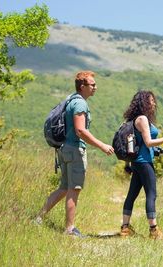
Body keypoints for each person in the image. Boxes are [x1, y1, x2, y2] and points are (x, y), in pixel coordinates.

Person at [36, 71, 114, 237]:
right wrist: (101, 145)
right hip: (74, 150)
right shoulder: (80, 104)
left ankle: (39, 218)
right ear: (82, 86)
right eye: (92, 85)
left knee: (64, 187)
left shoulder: (71, 100)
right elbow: (80, 130)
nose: (95, 87)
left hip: (64, 149)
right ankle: (70, 229)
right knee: (74, 188)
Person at [120, 90, 163, 240]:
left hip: (137, 162)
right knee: (151, 194)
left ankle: (125, 229)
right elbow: (148, 142)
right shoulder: (142, 119)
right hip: (144, 163)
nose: (154, 103)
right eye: (151, 100)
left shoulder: (135, 120)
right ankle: (154, 231)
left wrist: (155, 150)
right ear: (144, 102)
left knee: (132, 195)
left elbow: (138, 143)